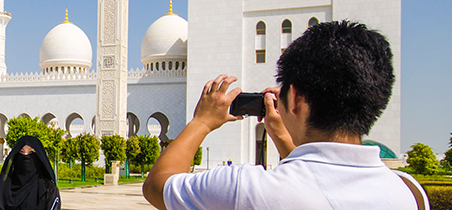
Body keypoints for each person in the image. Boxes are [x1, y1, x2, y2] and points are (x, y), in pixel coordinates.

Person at [142, 20, 428, 210]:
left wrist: (201, 121)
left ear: (298, 99)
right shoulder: (410, 193)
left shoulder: (246, 189)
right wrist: (281, 134)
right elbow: (316, 178)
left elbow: (158, 185)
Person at [0, 135, 59, 210]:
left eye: (31, 152)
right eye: (21, 152)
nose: (25, 155)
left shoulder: (48, 190)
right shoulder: (5, 191)